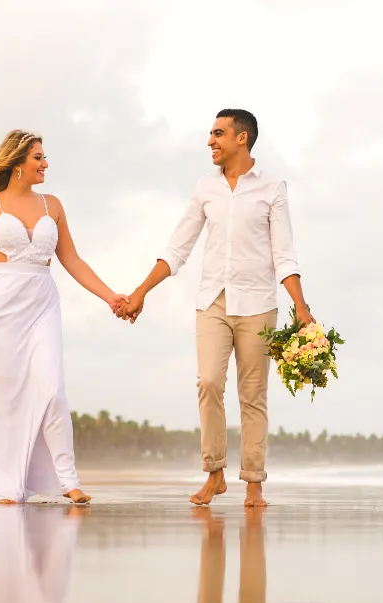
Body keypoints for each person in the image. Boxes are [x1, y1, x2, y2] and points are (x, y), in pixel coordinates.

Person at [116, 109, 314, 508]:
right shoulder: (205, 188)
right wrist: (141, 292)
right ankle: (215, 473)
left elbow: (284, 254)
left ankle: (254, 483)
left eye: (218, 133)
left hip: (258, 304)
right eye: (210, 133)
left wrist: (302, 309)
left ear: (242, 138)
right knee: (208, 382)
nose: (210, 140)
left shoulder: (272, 188)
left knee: (253, 394)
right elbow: (178, 247)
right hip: (213, 301)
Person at [0, 129, 128, 504]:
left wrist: (110, 296)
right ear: (18, 162)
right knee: (6, 397)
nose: (45, 163)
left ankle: (69, 480)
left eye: (44, 157)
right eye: (38, 157)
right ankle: (4, 482)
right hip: (0, 306)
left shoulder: (53, 205)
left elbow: (72, 260)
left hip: (42, 304)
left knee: (51, 390)